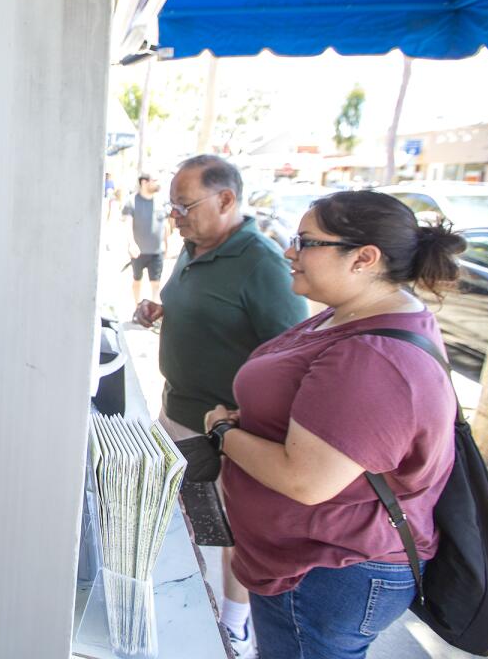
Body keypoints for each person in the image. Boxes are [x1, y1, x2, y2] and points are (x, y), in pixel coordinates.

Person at [203, 191, 461, 659]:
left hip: (327, 570)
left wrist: (224, 432)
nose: (289, 251)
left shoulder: (374, 358)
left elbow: (305, 479)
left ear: (363, 258)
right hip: (310, 560)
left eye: (305, 242)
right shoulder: (353, 313)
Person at [133, 155, 308, 656]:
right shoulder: (194, 247)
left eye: (183, 205)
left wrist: (243, 420)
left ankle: (235, 625)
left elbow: (290, 353)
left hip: (229, 430)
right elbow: (207, 306)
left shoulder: (262, 263)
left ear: (226, 200)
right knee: (186, 521)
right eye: (172, 206)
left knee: (233, 532)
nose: (175, 216)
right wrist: (164, 310)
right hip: (178, 412)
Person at [120, 173, 170, 301]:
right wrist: (131, 243)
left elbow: (166, 225)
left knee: (156, 283)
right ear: (144, 182)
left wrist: (166, 244)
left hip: (157, 251)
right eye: (154, 180)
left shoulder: (162, 201)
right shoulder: (132, 201)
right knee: (137, 280)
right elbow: (127, 224)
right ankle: (137, 307)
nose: (157, 184)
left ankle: (152, 311)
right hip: (138, 252)